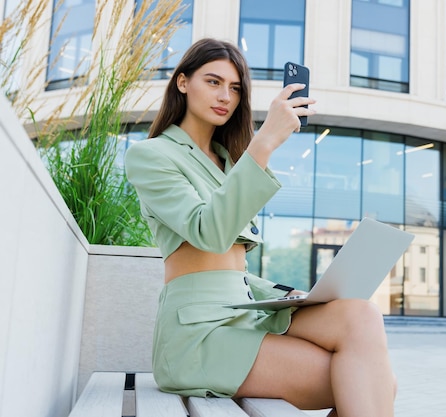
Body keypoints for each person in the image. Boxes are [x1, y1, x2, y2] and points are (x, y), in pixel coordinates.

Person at [124, 38, 396, 417]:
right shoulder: (151, 155)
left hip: (244, 313)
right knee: (364, 381)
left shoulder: (227, 163)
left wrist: (295, 296)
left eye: (235, 88)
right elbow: (209, 233)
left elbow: (235, 270)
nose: (226, 96)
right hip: (198, 334)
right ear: (183, 83)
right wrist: (265, 140)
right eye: (213, 82)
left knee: (361, 316)